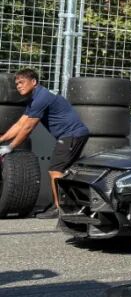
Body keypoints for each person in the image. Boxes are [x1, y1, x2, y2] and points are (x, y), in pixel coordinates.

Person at [0, 69, 90, 218]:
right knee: (65, 170)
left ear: (33, 82)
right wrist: (2, 139)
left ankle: (60, 208)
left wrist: (10, 147)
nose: (18, 86)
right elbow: (20, 124)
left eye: (22, 82)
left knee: (55, 170)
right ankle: (67, 204)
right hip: (71, 135)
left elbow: (28, 128)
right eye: (17, 84)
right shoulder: (34, 99)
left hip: (72, 135)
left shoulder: (42, 98)